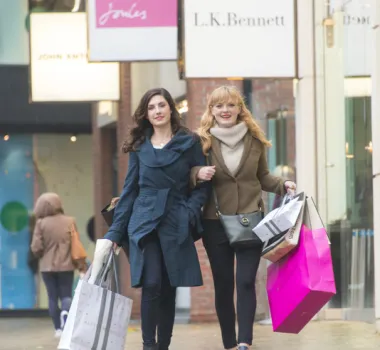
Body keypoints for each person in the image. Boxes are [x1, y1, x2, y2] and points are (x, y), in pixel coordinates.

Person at [102, 88, 209, 350]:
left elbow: (203, 186)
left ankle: (163, 346)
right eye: (151, 107)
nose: (157, 111)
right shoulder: (139, 148)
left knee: (169, 287)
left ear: (171, 109)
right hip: (144, 222)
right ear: (146, 115)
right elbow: (129, 192)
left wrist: (189, 211)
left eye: (161, 105)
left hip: (176, 220)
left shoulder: (190, 142)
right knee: (151, 284)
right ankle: (148, 346)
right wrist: (114, 235)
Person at [192, 86, 296, 350]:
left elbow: (263, 177)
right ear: (211, 110)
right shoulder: (200, 141)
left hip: (251, 219)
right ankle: (228, 342)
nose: (225, 110)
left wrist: (283, 184)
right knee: (224, 284)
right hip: (215, 223)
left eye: (230, 105)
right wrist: (197, 173)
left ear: (240, 108)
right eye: (219, 106)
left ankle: (244, 343)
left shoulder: (255, 140)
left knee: (247, 281)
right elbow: (184, 173)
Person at [31, 192, 86, 338]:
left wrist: (42, 254)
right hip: (66, 266)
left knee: (52, 297)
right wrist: (81, 266)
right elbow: (76, 245)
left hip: (47, 267)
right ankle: (65, 315)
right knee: (66, 295)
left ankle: (58, 329)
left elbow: (36, 247)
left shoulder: (40, 223)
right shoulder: (70, 221)